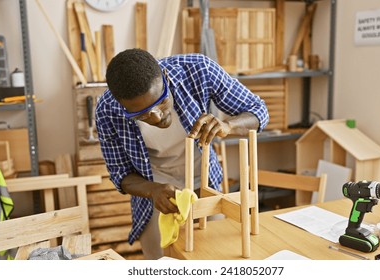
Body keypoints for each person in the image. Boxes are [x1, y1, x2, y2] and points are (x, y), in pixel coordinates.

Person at [95, 48, 269, 259]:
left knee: (215, 258)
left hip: (205, 183)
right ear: (122, 106)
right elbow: (120, 175)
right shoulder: (106, 110)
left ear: (166, 78)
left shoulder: (199, 69)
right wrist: (153, 191)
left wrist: (228, 125)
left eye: (161, 102)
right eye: (142, 114)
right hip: (156, 192)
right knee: (162, 262)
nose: (157, 117)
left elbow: (258, 110)